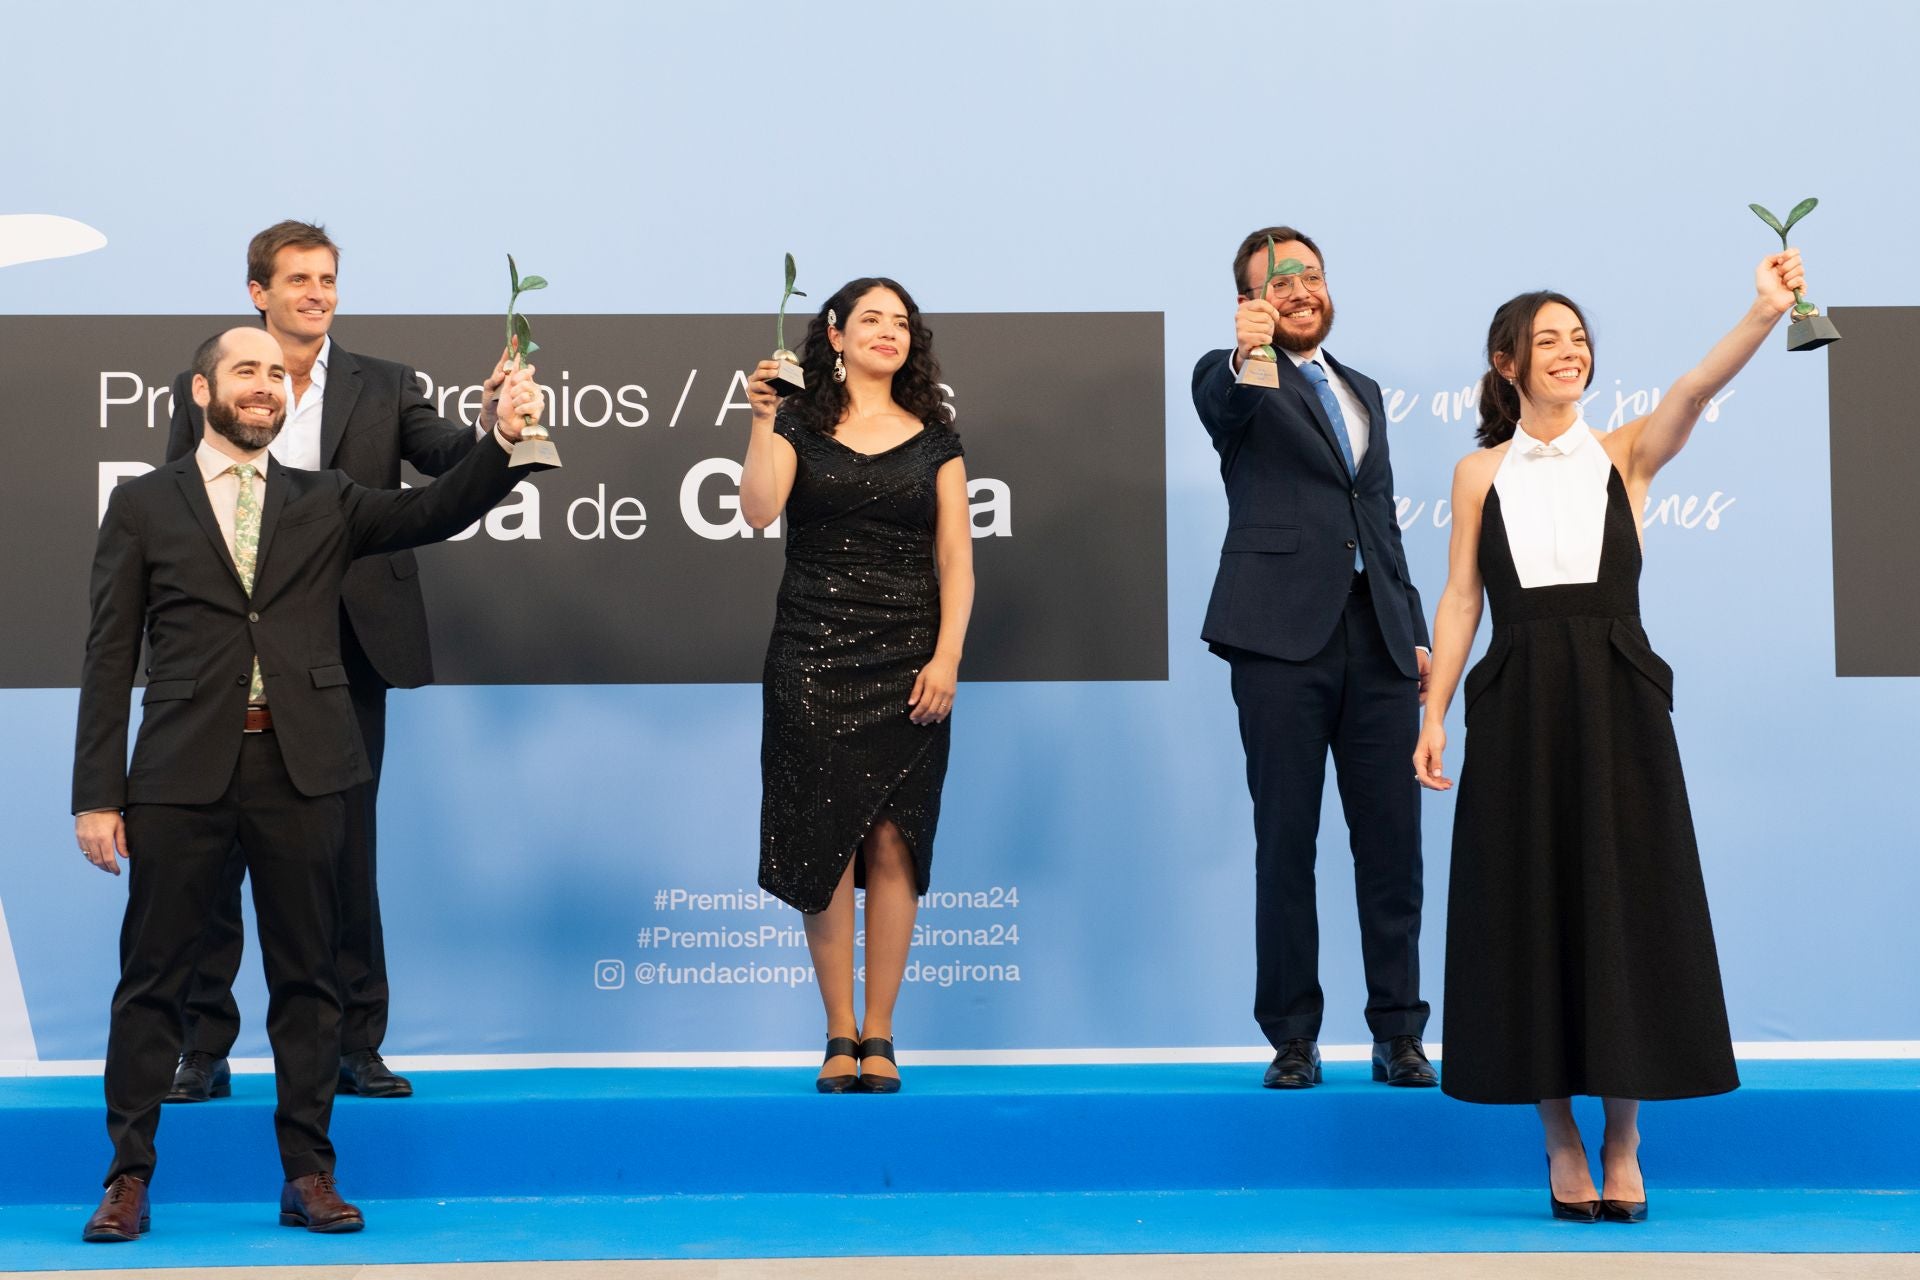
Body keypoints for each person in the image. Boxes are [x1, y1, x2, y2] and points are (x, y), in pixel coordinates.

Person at [74, 326, 545, 1241]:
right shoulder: (140, 504)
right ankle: (127, 1179)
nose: (266, 385)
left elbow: (437, 509)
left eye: (275, 375)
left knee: (309, 983)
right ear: (202, 392)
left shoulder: (325, 497)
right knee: (152, 984)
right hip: (177, 773)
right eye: (244, 371)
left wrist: (502, 439)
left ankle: (309, 1174)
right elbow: (107, 658)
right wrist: (97, 793)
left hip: (307, 766)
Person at [1414, 250, 1807, 1222]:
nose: (1569, 352)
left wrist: (1763, 310)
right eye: (1547, 340)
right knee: (1532, 910)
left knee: (1622, 907)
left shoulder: (1625, 452)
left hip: (1618, 701)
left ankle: (1624, 1138)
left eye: (1579, 338)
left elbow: (1697, 385)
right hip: (1517, 704)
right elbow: (1463, 597)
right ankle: (1558, 1138)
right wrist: (1432, 711)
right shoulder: (1477, 473)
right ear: (1506, 363)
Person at [161, 221, 516, 1103]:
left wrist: (496, 424)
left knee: (348, 851)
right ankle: (203, 1047)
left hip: (347, 651)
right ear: (259, 292)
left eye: (328, 279)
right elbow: (179, 510)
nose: (317, 293)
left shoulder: (387, 385)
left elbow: (446, 468)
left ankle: (358, 1043)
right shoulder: (208, 385)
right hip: (233, 651)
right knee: (214, 857)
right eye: (298, 279)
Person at [1191, 227, 1437, 1090]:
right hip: (1277, 639)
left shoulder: (1363, 389)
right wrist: (1245, 351)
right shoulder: (1235, 375)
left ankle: (1399, 1032)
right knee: (1285, 842)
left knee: (1393, 846)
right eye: (1279, 280)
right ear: (1253, 298)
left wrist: (1416, 632)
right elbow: (1229, 412)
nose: (1301, 290)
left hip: (1377, 643)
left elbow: (1381, 522)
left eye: (1312, 277)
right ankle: (1293, 1037)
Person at [738, 277, 974, 1094]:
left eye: (901, 322)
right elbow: (760, 511)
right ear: (833, 335)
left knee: (893, 838)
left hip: (910, 660)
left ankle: (882, 1033)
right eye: (870, 319)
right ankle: (838, 1032)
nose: (888, 332)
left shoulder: (937, 437)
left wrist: (945, 659)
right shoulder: (796, 423)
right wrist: (763, 418)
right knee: (826, 840)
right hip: (811, 657)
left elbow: (956, 561)